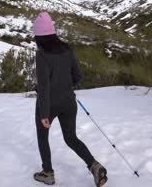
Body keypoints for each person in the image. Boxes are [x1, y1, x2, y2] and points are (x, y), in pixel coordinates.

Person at [32, 12, 108, 187]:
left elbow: (43, 87)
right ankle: (94, 166)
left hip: (49, 104)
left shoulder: (42, 54)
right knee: (71, 138)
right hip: (68, 102)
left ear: (39, 37)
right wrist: (65, 86)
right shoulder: (67, 49)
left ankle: (48, 173)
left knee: (43, 137)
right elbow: (78, 75)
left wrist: (44, 113)